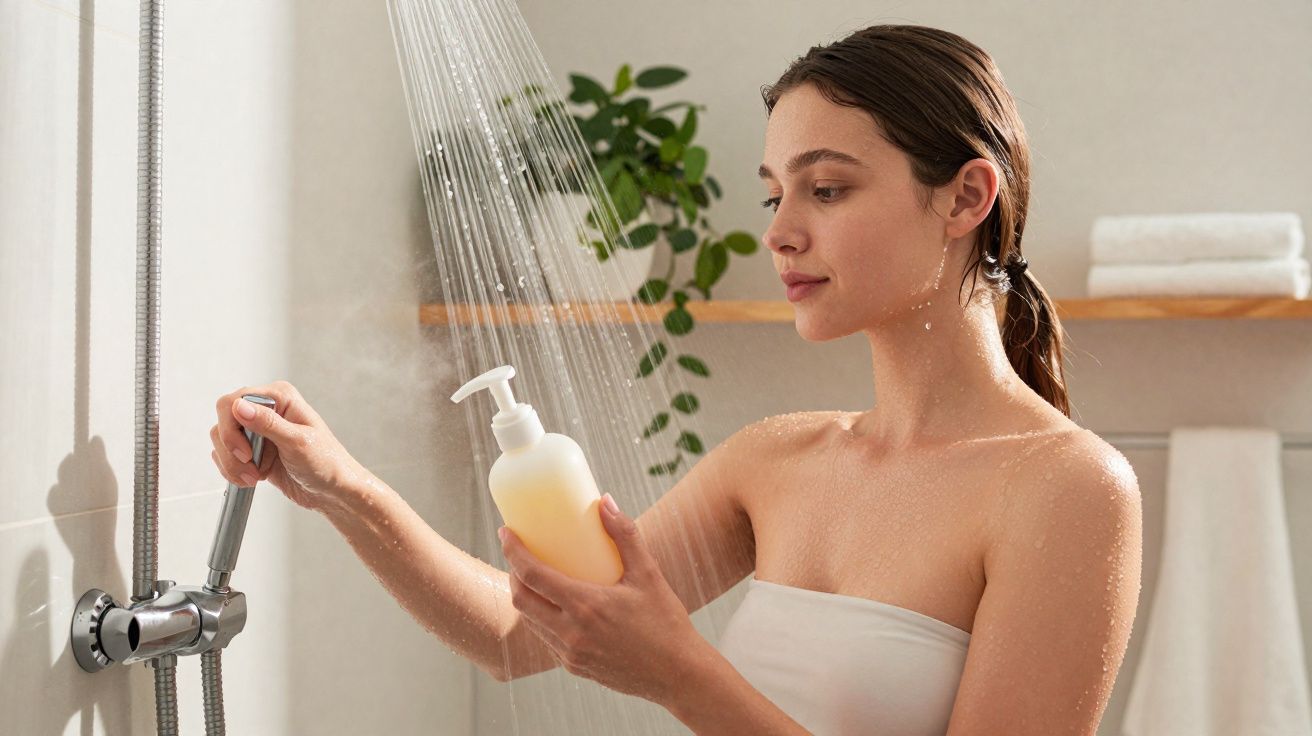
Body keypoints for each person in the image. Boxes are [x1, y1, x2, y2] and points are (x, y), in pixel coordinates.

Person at [209, 23, 1142, 736]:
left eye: (827, 188)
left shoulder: (1065, 489)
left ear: (966, 198)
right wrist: (343, 489)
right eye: (774, 193)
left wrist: (678, 673)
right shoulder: (775, 459)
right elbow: (515, 634)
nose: (780, 231)